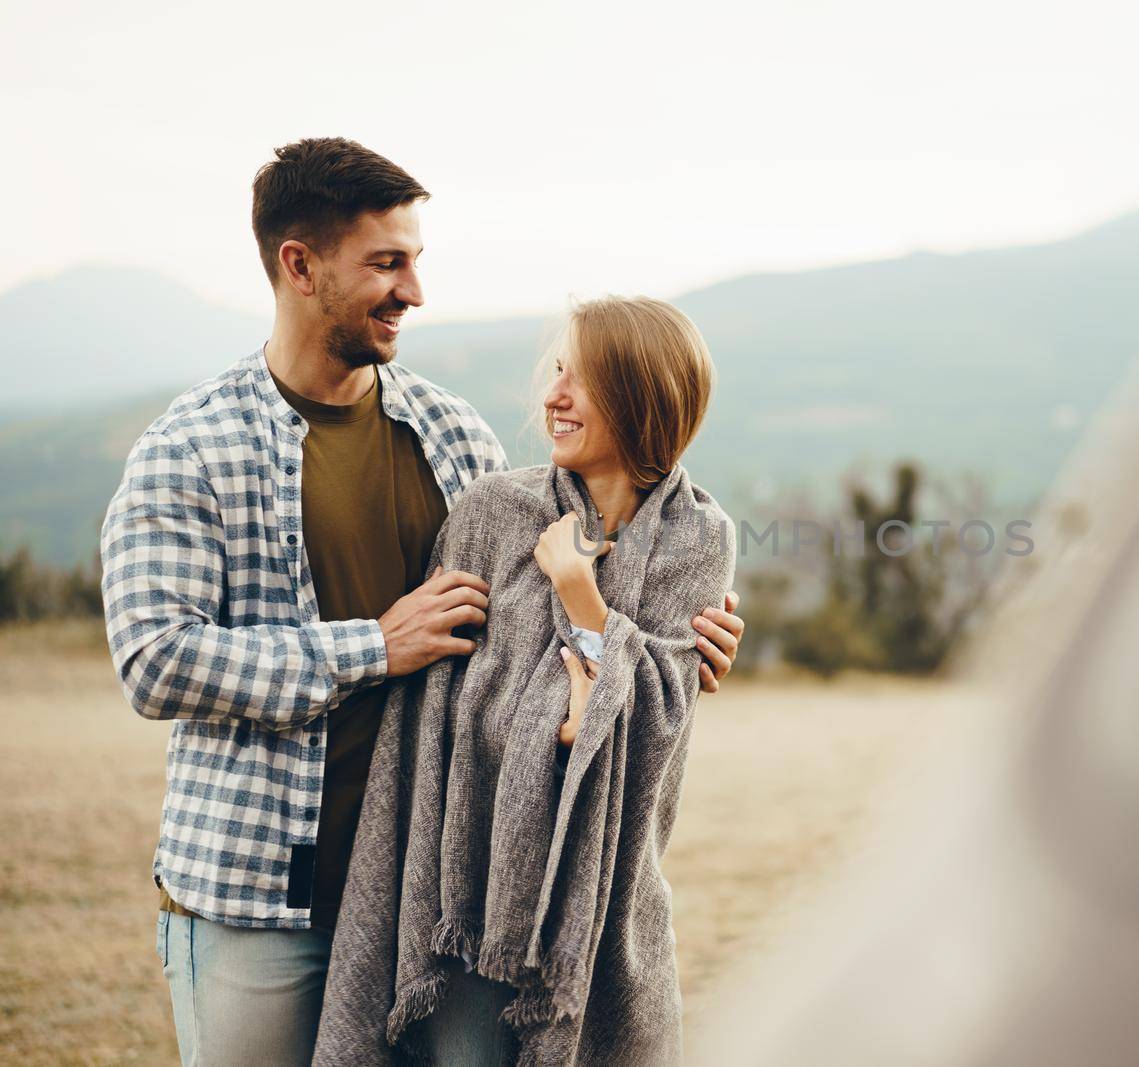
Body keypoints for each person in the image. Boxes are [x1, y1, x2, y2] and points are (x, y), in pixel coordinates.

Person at [97, 137, 745, 1067]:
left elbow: (550, 618)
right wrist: (372, 646)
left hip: (428, 906)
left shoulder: (451, 433)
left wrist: (670, 652)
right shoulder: (191, 446)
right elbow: (155, 658)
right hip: (257, 903)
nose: (414, 291)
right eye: (387, 263)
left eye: (416, 261)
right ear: (301, 265)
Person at [314, 295, 736, 1066]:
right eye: (556, 370)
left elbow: (639, 730)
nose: (553, 395)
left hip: (612, 906)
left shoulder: (698, 539)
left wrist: (578, 591)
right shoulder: (491, 512)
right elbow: (451, 711)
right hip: (467, 901)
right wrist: (597, 680)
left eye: (583, 378)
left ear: (642, 395)